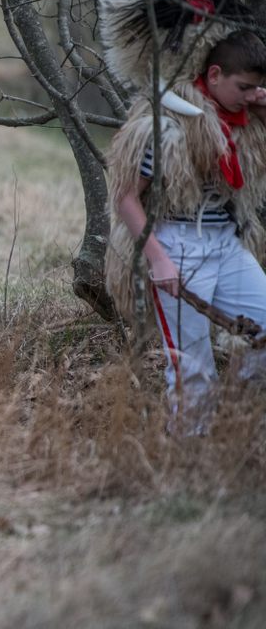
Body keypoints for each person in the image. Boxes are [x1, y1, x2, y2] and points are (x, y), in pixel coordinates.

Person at [107, 23, 266, 432]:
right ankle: (187, 458)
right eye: (245, 87)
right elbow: (125, 196)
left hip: (226, 245)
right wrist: (159, 260)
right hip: (176, 243)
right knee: (192, 367)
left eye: (258, 88)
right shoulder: (168, 128)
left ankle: (233, 414)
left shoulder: (246, 123)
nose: (252, 96)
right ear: (214, 76)